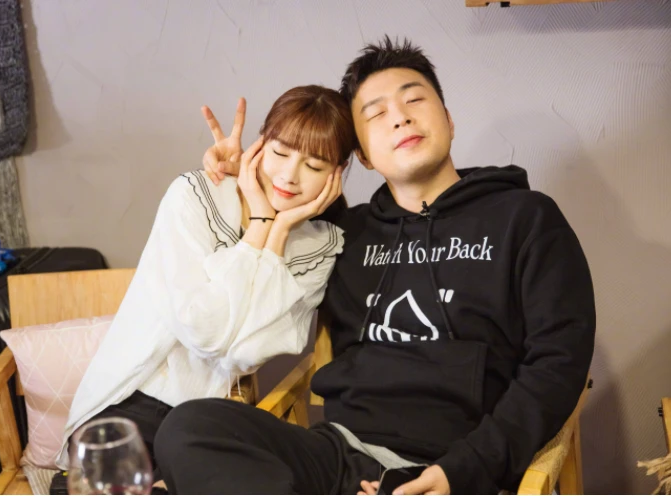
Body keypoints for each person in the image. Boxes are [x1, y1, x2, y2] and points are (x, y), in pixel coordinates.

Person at [154, 37, 595, 495]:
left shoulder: (525, 218)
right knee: (189, 427)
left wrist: (463, 470)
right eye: (376, 114)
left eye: (414, 100)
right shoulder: (344, 235)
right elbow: (247, 295)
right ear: (362, 156)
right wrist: (242, 188)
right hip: (339, 455)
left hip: (454, 468)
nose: (400, 117)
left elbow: (559, 362)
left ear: (448, 120)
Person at [54, 85, 355, 475]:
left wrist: (279, 231)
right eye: (280, 153)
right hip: (130, 398)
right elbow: (203, 332)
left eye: (314, 166)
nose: (289, 176)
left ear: (338, 173)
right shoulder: (195, 196)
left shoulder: (321, 247)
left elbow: (245, 355)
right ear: (260, 145)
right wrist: (261, 225)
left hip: (210, 420)